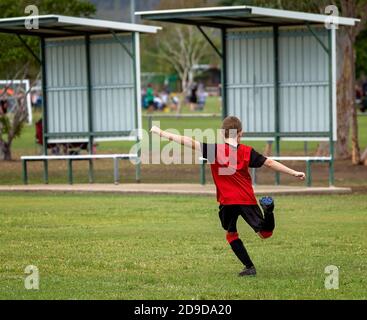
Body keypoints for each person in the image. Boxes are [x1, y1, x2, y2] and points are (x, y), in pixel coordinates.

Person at [150, 116, 306, 277]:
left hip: (227, 201)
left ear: (221, 133)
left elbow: (187, 141)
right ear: (241, 133)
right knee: (265, 233)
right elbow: (270, 163)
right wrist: (294, 172)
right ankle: (269, 211)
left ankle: (249, 267)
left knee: (231, 234)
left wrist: (161, 133)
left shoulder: (213, 150)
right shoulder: (247, 151)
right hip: (246, 199)